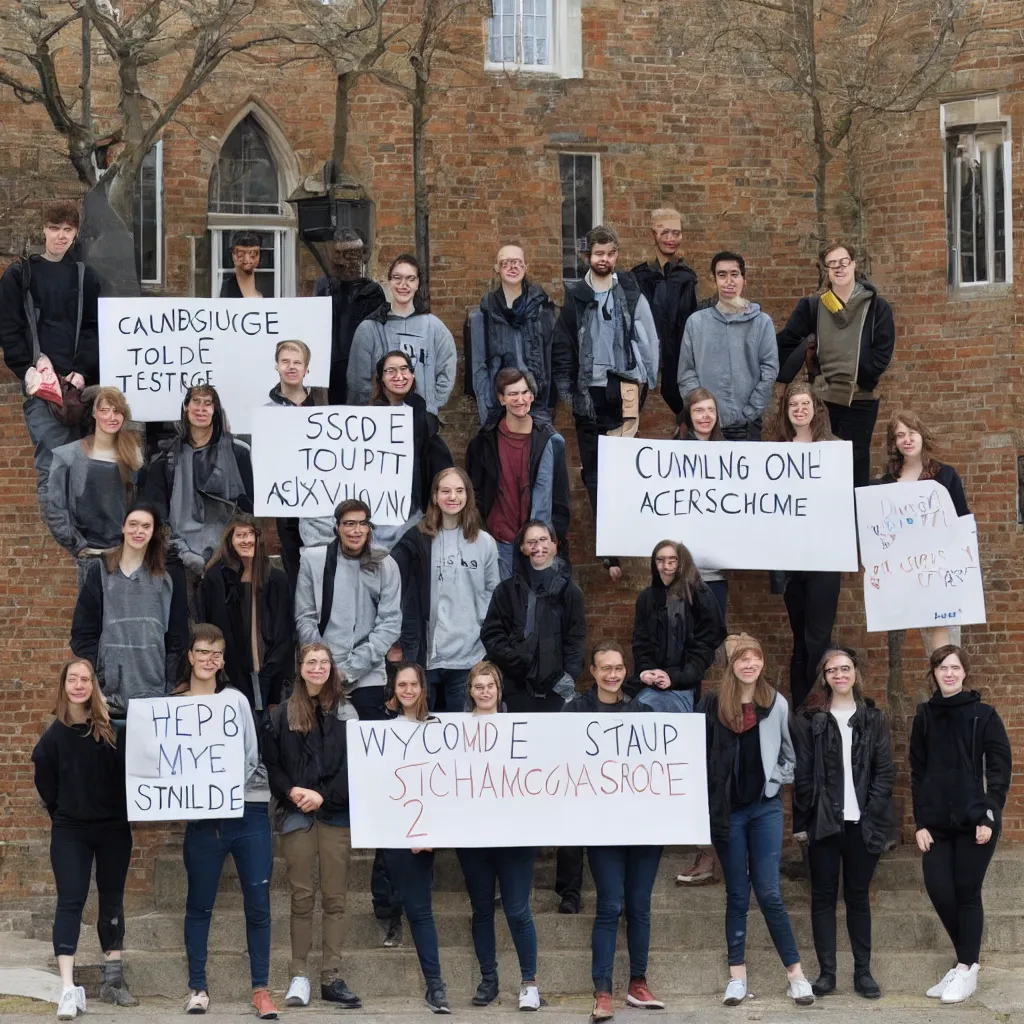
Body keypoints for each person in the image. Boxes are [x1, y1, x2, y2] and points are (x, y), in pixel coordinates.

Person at [698, 634, 814, 1007]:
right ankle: (737, 977)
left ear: (762, 662)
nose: (749, 665)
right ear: (731, 665)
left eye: (755, 658)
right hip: (729, 812)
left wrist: (775, 780)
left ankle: (795, 975)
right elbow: (695, 752)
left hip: (764, 809)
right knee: (736, 892)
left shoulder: (775, 702)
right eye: (742, 660)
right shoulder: (714, 703)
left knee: (769, 892)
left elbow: (791, 754)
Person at [481, 519, 586, 914]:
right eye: (531, 542)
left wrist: (567, 677)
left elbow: (576, 639)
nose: (539, 547)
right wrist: (522, 659)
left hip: (556, 698)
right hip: (518, 696)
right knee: (512, 789)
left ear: (555, 544)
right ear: (522, 549)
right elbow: (491, 637)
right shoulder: (507, 591)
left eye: (545, 540)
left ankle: (570, 888)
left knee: (566, 788)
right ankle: (510, 882)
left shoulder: (570, 592)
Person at [175, 625, 278, 1019]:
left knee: (259, 903)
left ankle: (261, 989)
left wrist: (222, 787)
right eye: (202, 652)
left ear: (222, 659)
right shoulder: (174, 705)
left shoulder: (233, 699)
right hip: (203, 819)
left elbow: (251, 754)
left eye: (216, 654)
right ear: (190, 655)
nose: (209, 660)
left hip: (247, 810)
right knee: (198, 904)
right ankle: (198, 988)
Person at [563, 642, 665, 1022]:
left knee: (639, 905)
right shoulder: (575, 713)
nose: (612, 674)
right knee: (609, 905)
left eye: (618, 668)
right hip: (600, 827)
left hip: (643, 828)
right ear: (592, 670)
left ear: (626, 671)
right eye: (605, 668)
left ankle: (638, 984)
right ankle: (602, 991)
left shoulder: (643, 712)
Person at [551, 225, 659, 580]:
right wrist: (569, 394)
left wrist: (647, 380)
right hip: (588, 393)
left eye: (610, 254)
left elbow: (649, 338)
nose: (604, 260)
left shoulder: (629, 291)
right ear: (588, 256)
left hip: (624, 387)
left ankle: (625, 541)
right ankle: (609, 550)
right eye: (598, 254)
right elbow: (563, 349)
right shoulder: (576, 296)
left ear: (617, 254)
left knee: (623, 470)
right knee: (594, 475)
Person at [32, 659, 135, 1018]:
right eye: (72, 679)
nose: (78, 685)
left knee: (112, 898)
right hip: (71, 831)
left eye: (85, 679)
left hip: (113, 829)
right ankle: (67, 988)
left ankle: (114, 978)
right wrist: (67, 812)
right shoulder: (52, 739)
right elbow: (47, 788)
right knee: (70, 901)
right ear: (63, 686)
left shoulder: (112, 731)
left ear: (94, 686)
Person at [262, 643, 361, 1010]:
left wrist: (323, 796)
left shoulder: (346, 712)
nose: (317, 668)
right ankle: (299, 975)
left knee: (335, 898)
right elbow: (271, 764)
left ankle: (332, 976)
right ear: (300, 667)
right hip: (295, 816)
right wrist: (292, 790)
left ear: (331, 668)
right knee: (302, 898)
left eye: (323, 662)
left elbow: (354, 767)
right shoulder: (282, 714)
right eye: (311, 662)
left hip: (335, 814)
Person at [911, 645, 1011, 1005]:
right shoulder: (924, 716)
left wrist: (990, 813)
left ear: (964, 672)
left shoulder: (984, 715)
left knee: (967, 891)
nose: (949, 673)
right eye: (942, 667)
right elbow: (917, 773)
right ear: (934, 674)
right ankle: (966, 964)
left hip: (976, 822)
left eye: (954, 667)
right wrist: (920, 822)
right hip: (935, 824)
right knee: (940, 891)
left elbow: (999, 770)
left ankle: (966, 967)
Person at [791, 647, 893, 999]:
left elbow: (884, 772)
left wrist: (873, 815)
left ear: (855, 673)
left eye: (845, 668)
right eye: (832, 670)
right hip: (823, 823)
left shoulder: (872, 718)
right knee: (822, 897)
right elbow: (802, 773)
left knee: (858, 896)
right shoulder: (810, 719)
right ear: (824, 676)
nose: (839, 675)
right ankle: (827, 974)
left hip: (861, 824)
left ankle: (863, 973)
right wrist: (803, 820)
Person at [0, 200, 101, 508]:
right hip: (42, 388)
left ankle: (80, 541)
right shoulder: (20, 275)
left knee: (84, 469)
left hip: (79, 387)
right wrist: (27, 369)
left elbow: (93, 329)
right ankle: (67, 537)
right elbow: (8, 328)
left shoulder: (86, 277)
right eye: (54, 228)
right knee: (53, 467)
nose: (60, 236)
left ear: (76, 234)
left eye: (67, 230)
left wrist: (82, 371)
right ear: (43, 229)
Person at [455, 661, 541, 1010]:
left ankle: (529, 983)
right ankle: (488, 980)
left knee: (518, 909)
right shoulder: (454, 732)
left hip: (516, 837)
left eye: (490, 686)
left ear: (499, 690)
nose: (485, 692)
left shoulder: (520, 730)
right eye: (479, 686)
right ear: (470, 691)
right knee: (481, 910)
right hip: (473, 838)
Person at [776, 242, 895, 487]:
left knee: (855, 466)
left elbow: (883, 351)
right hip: (823, 400)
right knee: (822, 466)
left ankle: (851, 522)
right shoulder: (813, 306)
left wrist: (865, 374)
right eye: (832, 264)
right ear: (826, 270)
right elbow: (786, 341)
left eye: (843, 262)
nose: (839, 268)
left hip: (860, 399)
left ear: (853, 264)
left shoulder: (876, 307)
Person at [391, 468, 500, 712]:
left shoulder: (484, 542)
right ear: (434, 496)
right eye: (446, 490)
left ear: (468, 496)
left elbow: (493, 593)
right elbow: (390, 580)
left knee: (461, 736)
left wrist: (483, 632)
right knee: (422, 731)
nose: (453, 497)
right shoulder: (417, 538)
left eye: (459, 491)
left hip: (469, 655)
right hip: (426, 655)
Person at [380, 663, 452, 1013]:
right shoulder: (382, 732)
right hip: (394, 831)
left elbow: (447, 784)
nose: (408, 690)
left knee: (421, 910)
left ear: (424, 687)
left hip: (424, 834)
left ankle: (435, 986)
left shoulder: (440, 729)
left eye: (414, 684)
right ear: (394, 690)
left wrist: (433, 830)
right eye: (401, 684)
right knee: (402, 897)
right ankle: (390, 919)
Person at [70, 503, 188, 713]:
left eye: (145, 526)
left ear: (153, 532)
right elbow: (83, 633)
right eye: (133, 524)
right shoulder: (100, 571)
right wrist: (95, 679)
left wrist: (169, 682)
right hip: (108, 694)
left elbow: (177, 636)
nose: (138, 531)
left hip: (153, 691)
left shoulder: (167, 577)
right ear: (123, 527)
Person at [294, 498, 402, 720]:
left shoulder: (386, 564)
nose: (356, 530)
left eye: (362, 524)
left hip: (369, 672)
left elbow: (390, 623)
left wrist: (352, 668)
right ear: (337, 527)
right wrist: (323, 665)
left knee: (369, 744)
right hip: (322, 673)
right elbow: (305, 617)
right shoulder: (313, 561)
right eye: (349, 523)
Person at [878, 410, 970, 654]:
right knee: (918, 640)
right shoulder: (887, 482)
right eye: (900, 435)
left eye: (912, 433)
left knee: (944, 642)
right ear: (894, 442)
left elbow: (962, 520)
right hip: (905, 570)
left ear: (922, 435)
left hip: (941, 567)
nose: (906, 440)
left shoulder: (945, 475)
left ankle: (949, 688)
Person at [465, 367, 570, 579]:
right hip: (498, 544)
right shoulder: (484, 443)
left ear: (532, 396)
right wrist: (481, 533)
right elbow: (474, 494)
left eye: (524, 393)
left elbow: (561, 496)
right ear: (501, 399)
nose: (520, 399)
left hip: (538, 545)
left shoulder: (550, 441)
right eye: (513, 394)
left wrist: (555, 538)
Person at [141, 385, 253, 580]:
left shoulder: (238, 453)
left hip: (231, 560)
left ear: (215, 410)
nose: (201, 408)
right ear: (186, 407)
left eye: (208, 403)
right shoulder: (166, 458)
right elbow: (158, 513)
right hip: (178, 560)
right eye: (196, 402)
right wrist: (183, 553)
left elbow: (249, 509)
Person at [775, 383, 841, 711]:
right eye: (793, 405)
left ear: (816, 407)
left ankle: (821, 706)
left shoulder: (834, 450)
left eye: (805, 403)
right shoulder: (776, 454)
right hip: (790, 558)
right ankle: (801, 708)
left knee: (818, 638)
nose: (799, 409)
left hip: (825, 558)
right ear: (786, 412)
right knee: (799, 639)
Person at [45, 387, 145, 585]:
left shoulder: (132, 457)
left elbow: (139, 504)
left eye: (117, 411)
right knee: (91, 614)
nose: (111, 416)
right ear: (94, 413)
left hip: (123, 556)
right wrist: (76, 544)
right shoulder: (69, 456)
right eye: (105, 410)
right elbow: (54, 508)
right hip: (89, 556)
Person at [198, 514, 293, 719]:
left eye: (251, 534)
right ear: (230, 540)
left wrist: (273, 666)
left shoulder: (277, 579)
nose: (247, 540)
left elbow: (285, 629)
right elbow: (208, 622)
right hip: (231, 671)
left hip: (270, 669)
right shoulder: (216, 579)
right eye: (240, 535)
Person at [677, 251, 778, 440]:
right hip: (705, 427)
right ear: (715, 280)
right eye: (722, 275)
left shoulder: (762, 323)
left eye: (734, 274)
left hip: (748, 425)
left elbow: (769, 370)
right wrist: (701, 410)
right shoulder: (696, 323)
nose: (728, 281)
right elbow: (686, 372)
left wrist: (749, 412)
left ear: (744, 280)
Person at [361, 349, 454, 551]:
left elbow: (435, 464)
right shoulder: (366, 419)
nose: (399, 376)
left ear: (412, 375)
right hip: (376, 514)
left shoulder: (423, 418)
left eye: (405, 369)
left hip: (411, 513)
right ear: (381, 378)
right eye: (391, 371)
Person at [347, 254, 457, 415]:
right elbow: (357, 380)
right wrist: (373, 408)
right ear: (389, 282)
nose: (403, 284)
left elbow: (447, 368)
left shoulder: (434, 327)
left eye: (410, 279)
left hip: (423, 418)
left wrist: (432, 403)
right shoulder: (369, 329)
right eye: (397, 278)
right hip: (381, 419)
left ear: (418, 283)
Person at [467, 243, 558, 426]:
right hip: (498, 406)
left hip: (537, 405)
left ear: (526, 267)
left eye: (517, 262)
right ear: (497, 269)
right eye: (505, 263)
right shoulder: (483, 315)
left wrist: (547, 403)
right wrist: (488, 405)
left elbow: (552, 359)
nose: (512, 267)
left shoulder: (544, 312)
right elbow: (478, 366)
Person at [265, 339, 327, 593]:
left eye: (297, 362)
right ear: (277, 366)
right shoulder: (267, 412)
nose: (291, 367)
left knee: (325, 570)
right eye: (285, 362)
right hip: (288, 502)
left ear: (307, 369)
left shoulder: (325, 403)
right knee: (295, 571)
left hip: (324, 502)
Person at [631, 208, 699, 417]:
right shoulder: (637, 276)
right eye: (664, 233)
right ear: (654, 234)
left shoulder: (687, 277)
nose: (671, 239)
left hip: (678, 354)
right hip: (644, 354)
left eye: (676, 233)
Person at [312, 228, 386, 404]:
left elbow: (377, 336)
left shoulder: (372, 291)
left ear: (361, 256)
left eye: (350, 254)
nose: (344, 261)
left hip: (362, 367)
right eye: (339, 254)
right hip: (330, 367)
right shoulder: (325, 286)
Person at [676, 387, 728, 620]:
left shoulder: (731, 454)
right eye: (699, 410)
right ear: (689, 414)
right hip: (680, 570)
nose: (705, 416)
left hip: (716, 570)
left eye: (710, 410)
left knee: (713, 634)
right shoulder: (672, 453)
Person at [220, 232, 262, 298]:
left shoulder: (265, 289)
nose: (247, 259)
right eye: (240, 254)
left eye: (253, 254)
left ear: (259, 256)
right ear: (233, 255)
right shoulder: (226, 289)